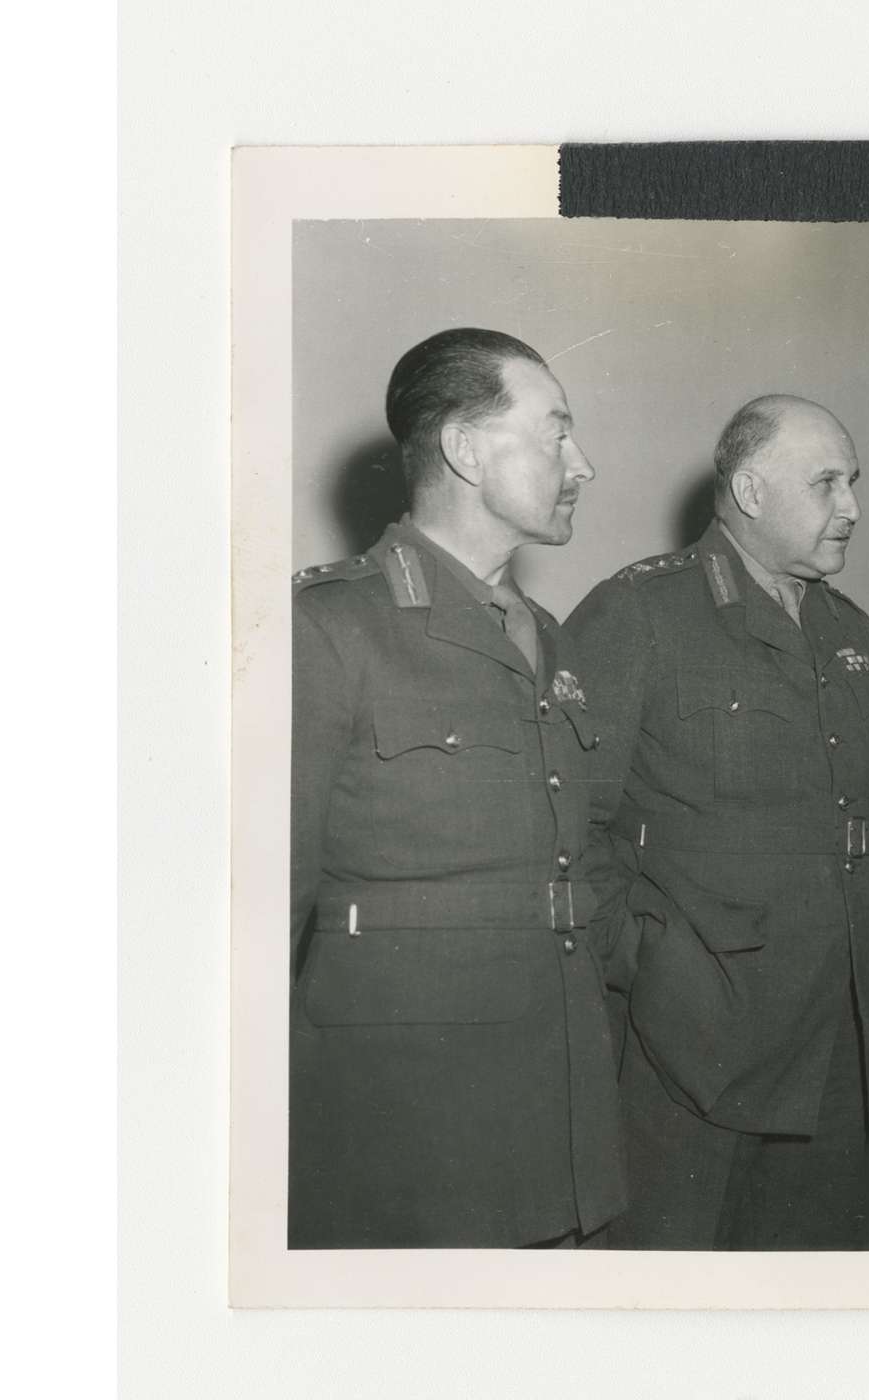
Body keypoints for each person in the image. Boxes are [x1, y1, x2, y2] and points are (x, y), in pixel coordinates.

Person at [566, 395, 869, 1249]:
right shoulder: (639, 613)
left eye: (854, 483)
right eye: (827, 483)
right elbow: (571, 825)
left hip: (845, 1033)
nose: (853, 506)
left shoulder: (850, 630)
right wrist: (656, 966)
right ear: (751, 491)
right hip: (699, 1036)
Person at [289, 327, 626, 1248]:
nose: (582, 463)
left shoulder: (550, 638)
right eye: (556, 433)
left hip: (560, 1112)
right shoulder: (327, 631)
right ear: (465, 449)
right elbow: (261, 918)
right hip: (407, 1129)